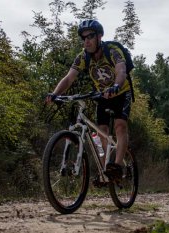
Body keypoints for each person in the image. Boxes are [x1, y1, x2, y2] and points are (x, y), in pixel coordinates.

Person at [45, 19, 132, 180]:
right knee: (101, 133)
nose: (87, 41)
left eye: (90, 36)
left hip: (121, 92)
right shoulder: (83, 57)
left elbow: (121, 71)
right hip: (102, 96)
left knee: (120, 127)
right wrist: (55, 93)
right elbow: (69, 78)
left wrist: (116, 86)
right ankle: (106, 170)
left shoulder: (112, 51)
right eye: (84, 38)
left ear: (99, 36)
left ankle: (118, 166)